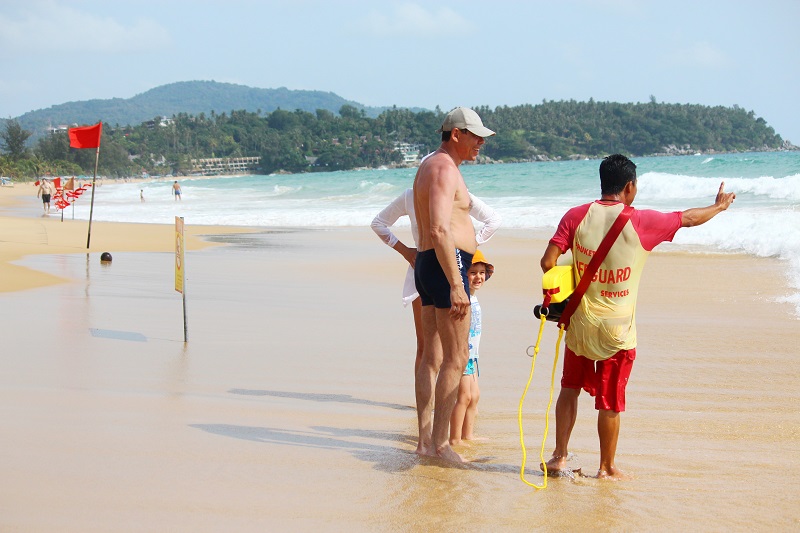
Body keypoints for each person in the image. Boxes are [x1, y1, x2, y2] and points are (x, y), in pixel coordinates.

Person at [540, 153, 736, 479]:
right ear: (630, 187)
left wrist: (571, 289)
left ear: (603, 183)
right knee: (610, 401)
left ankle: (559, 456)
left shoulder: (575, 216)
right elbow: (687, 218)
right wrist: (719, 207)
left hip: (580, 322)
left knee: (570, 387)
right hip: (618, 329)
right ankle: (606, 467)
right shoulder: (641, 221)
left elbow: (548, 262)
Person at [412, 106, 496, 463]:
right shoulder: (445, 168)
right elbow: (439, 228)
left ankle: (424, 441)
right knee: (456, 357)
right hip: (447, 265)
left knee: (431, 357)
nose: (480, 143)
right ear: (456, 134)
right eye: (475, 136)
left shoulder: (430, 165)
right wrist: (457, 284)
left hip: (427, 264)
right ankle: (441, 445)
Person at [370, 188, 501, 379]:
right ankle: (429, 404)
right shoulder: (414, 195)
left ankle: (444, 403)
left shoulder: (452, 192)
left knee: (448, 348)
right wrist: (406, 252)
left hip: (441, 269)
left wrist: (470, 245)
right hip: (432, 270)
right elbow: (378, 223)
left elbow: (494, 220)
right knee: (432, 347)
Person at [449, 249, 494, 446]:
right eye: (473, 272)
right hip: (462, 354)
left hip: (473, 356)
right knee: (464, 396)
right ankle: (454, 438)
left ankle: (468, 435)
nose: (478, 277)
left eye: (482, 273)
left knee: (474, 396)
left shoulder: (473, 298)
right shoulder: (463, 298)